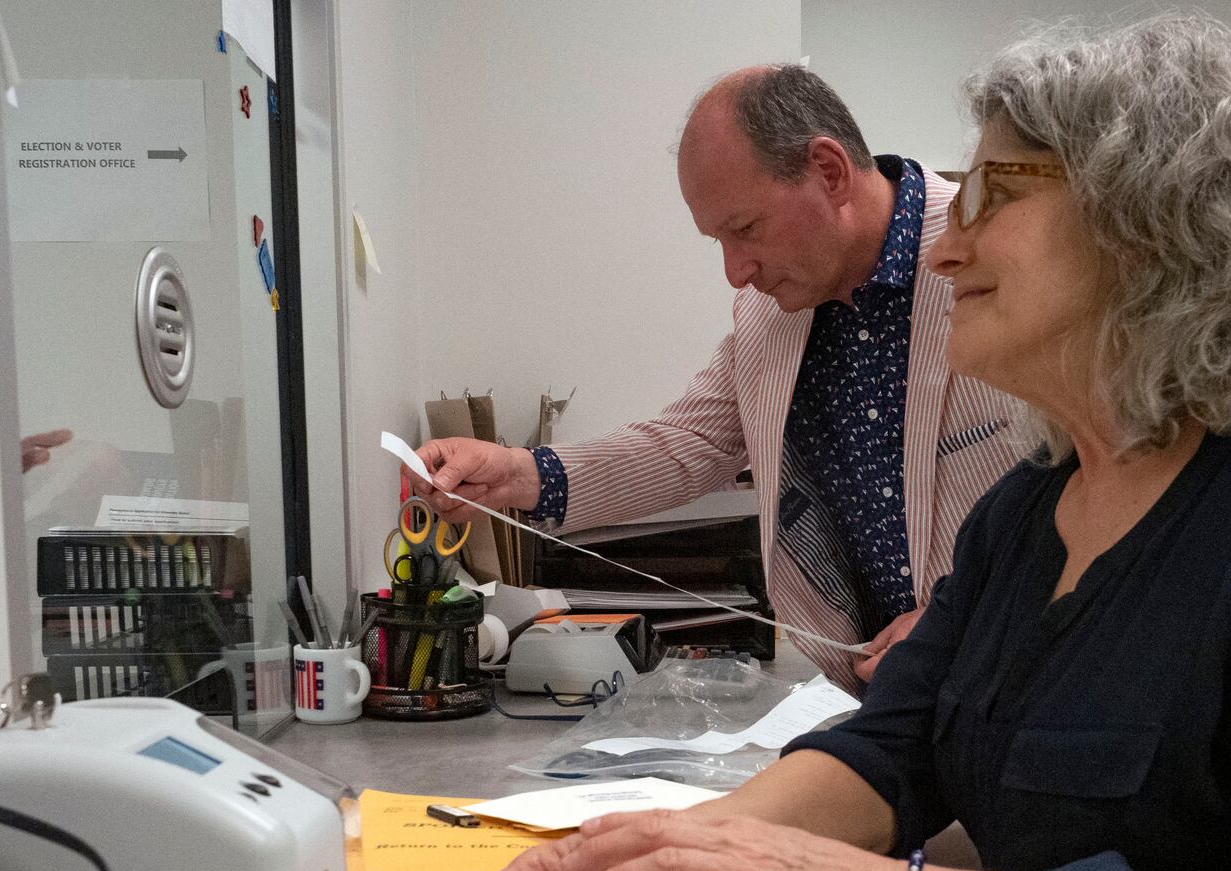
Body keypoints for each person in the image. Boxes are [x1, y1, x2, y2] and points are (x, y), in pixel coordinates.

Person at [464, 14, 1231, 871]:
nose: (948, 247)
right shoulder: (1035, 509)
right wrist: (654, 853)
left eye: (994, 195)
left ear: (1154, 216)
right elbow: (892, 748)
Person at [413, 66, 1018, 690]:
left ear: (829, 172)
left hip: (1029, 681)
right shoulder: (769, 313)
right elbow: (686, 446)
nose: (735, 271)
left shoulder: (991, 255)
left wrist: (960, 614)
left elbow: (1104, 484)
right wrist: (514, 473)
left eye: (746, 229)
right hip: (890, 697)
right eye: (718, 241)